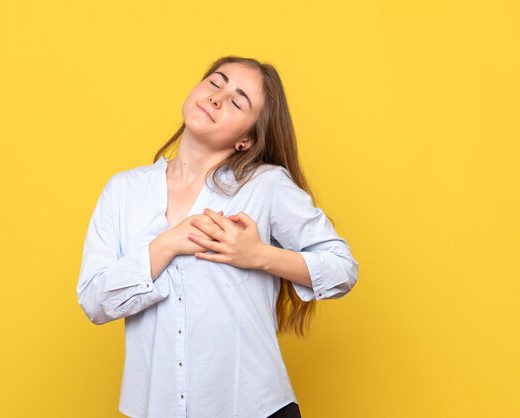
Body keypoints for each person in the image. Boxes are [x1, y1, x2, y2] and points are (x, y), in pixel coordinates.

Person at [76, 55, 359, 418]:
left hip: (254, 408)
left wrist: (258, 255)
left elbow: (342, 269)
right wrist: (168, 244)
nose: (217, 98)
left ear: (246, 139)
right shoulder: (123, 191)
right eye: (215, 83)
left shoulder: (265, 186)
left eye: (238, 101)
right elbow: (94, 301)